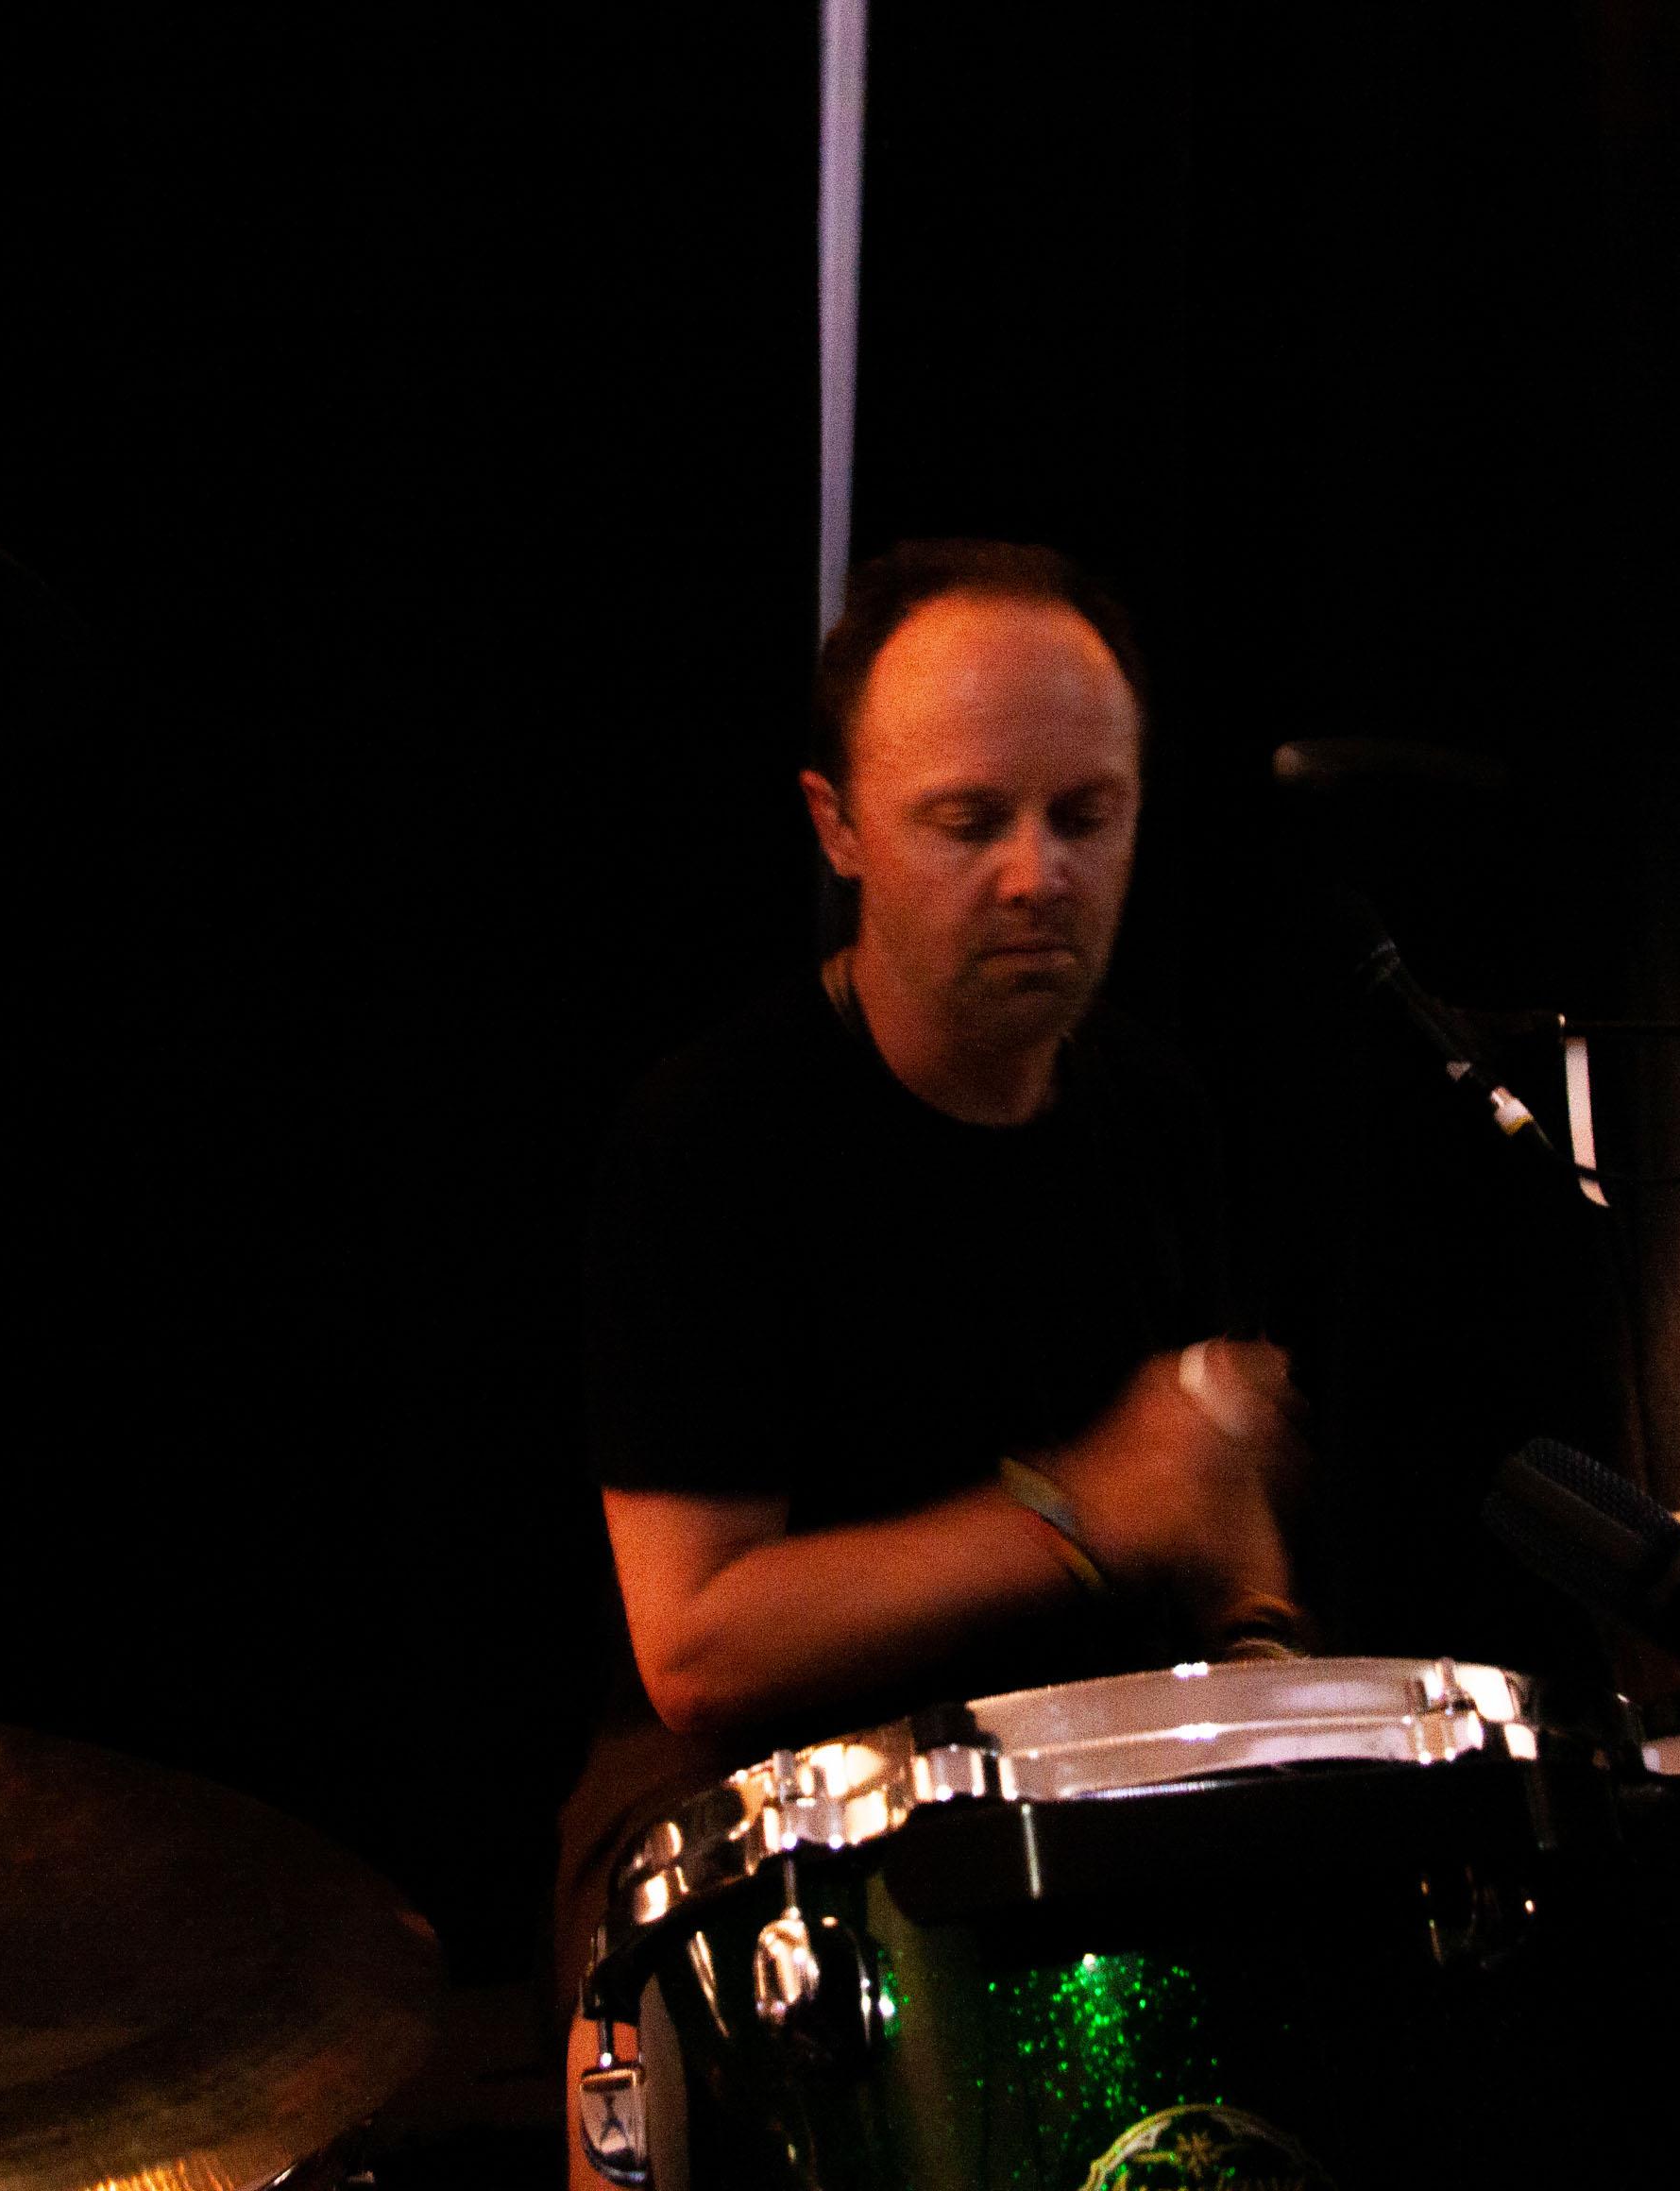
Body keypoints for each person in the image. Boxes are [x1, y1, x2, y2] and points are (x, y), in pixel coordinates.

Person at [556, 540, 1303, 2184]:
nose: (1039, 875)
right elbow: (698, 1649)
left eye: (1086, 816)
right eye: (969, 823)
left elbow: (1208, 1503)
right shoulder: (708, 1142)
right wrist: (1080, 1515)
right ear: (839, 828)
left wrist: (1266, 1655)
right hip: (755, 1820)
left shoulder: (1154, 1109)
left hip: (1081, 1769)